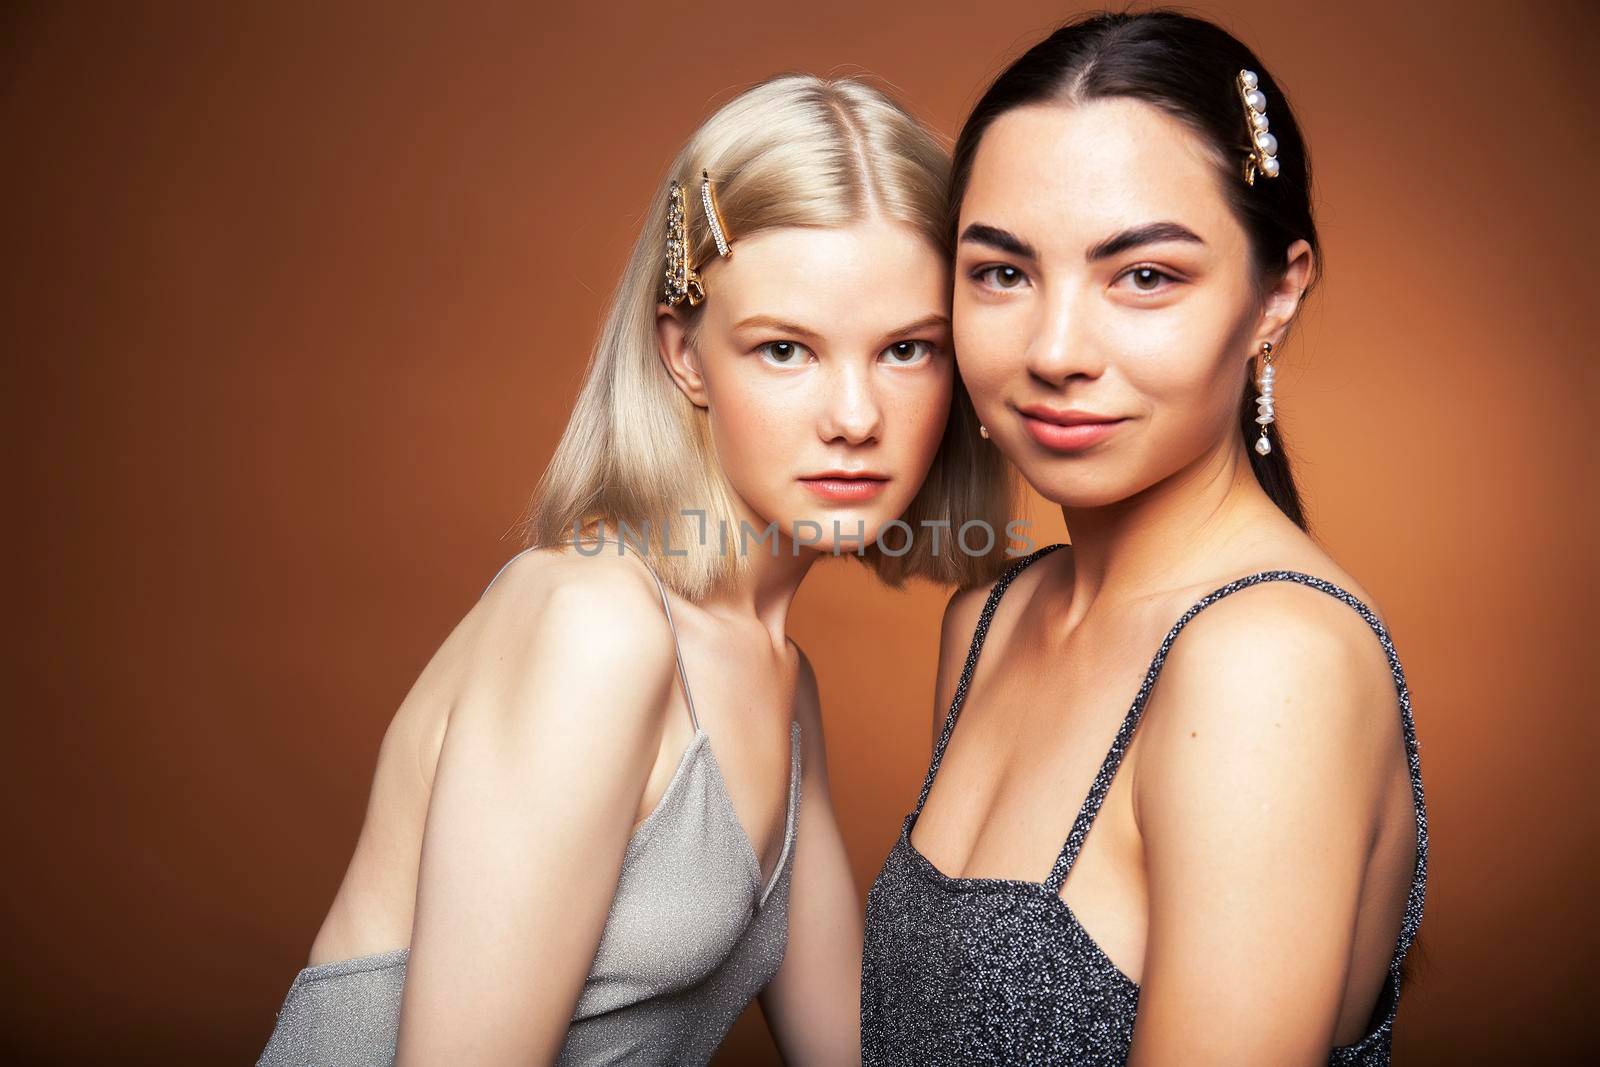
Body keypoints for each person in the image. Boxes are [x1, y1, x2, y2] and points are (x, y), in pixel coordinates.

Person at [256, 72, 1012, 1066]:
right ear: (684, 354)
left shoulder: (782, 686)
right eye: (785, 349)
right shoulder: (593, 620)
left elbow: (858, 1052)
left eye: (907, 349)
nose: (855, 417)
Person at [860, 11, 1429, 1065]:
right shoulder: (988, 617)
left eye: (1145, 276)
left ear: (1276, 292)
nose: (1056, 348)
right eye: (1000, 273)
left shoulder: (1268, 662)